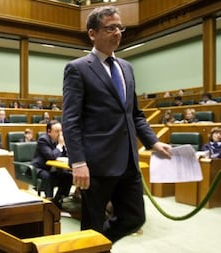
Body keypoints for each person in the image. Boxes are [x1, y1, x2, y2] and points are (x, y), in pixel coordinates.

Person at [62, 6, 171, 243]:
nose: (118, 32)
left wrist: (153, 142)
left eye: (119, 27)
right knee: (92, 224)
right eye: (110, 28)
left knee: (134, 217)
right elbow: (70, 120)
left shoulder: (127, 68)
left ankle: (100, 242)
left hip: (128, 161)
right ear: (92, 33)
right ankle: (94, 244)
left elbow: (135, 115)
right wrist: (78, 162)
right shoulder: (78, 68)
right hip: (96, 164)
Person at [31, 120, 72, 209]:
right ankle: (49, 202)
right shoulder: (43, 140)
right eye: (57, 131)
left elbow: (66, 155)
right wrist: (60, 145)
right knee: (48, 176)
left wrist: (64, 146)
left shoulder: (59, 140)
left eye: (61, 131)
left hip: (54, 168)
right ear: (49, 132)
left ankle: (58, 200)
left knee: (68, 176)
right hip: (40, 168)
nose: (60, 134)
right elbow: (52, 156)